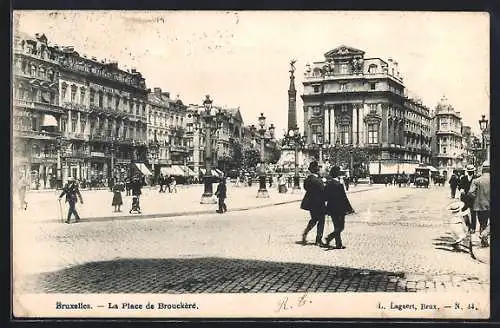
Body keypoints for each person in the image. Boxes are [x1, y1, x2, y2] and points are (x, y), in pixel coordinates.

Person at [323, 166, 355, 249]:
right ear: (337, 174)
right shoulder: (339, 184)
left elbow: (325, 197)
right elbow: (344, 198)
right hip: (340, 208)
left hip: (332, 208)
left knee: (336, 226)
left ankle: (338, 244)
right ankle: (330, 237)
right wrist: (349, 209)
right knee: (341, 227)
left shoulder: (328, 184)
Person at [299, 161, 326, 246]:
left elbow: (306, 188)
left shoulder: (307, 180)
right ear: (317, 170)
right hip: (319, 203)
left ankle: (305, 232)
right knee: (321, 220)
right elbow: (323, 190)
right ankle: (318, 240)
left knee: (314, 219)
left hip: (310, 203)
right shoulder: (318, 180)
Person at [467, 161, 490, 247]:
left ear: (482, 170)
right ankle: (485, 234)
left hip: (480, 205)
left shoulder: (476, 180)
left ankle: (484, 242)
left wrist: (477, 198)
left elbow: (470, 193)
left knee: (482, 223)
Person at [458, 164, 477, 232]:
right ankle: (468, 225)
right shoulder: (463, 178)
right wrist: (461, 189)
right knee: (464, 213)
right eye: (469, 171)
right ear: (467, 171)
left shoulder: (476, 178)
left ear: (473, 171)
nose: (470, 172)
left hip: (473, 199)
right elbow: (459, 186)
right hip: (464, 198)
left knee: (473, 213)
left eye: (471, 171)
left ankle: (473, 228)